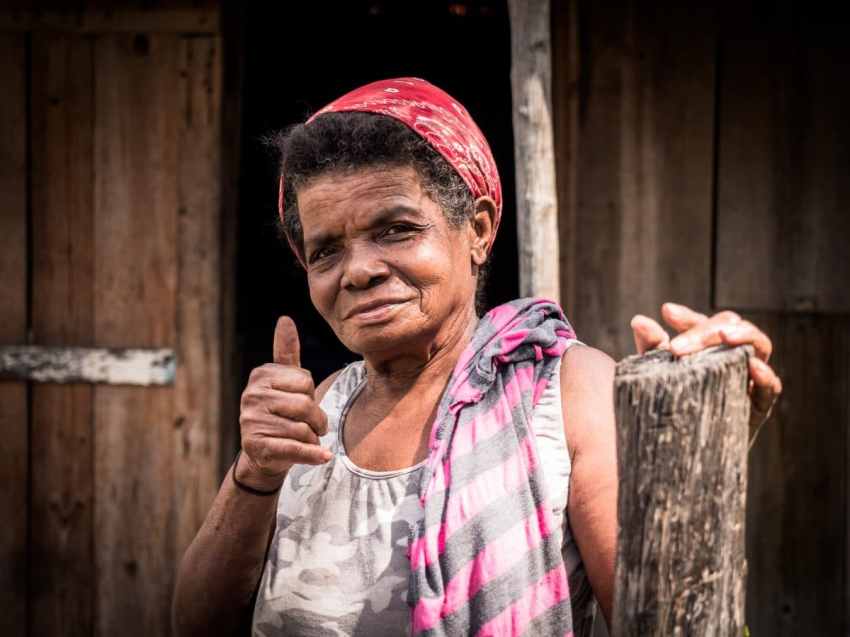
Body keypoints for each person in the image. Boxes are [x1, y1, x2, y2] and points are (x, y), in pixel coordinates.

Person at [173, 78, 782, 637]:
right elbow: (198, 625)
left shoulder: (563, 394)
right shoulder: (317, 408)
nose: (358, 271)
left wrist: (688, 463)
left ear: (479, 230)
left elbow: (664, 622)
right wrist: (254, 473)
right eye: (326, 251)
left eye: (396, 230)